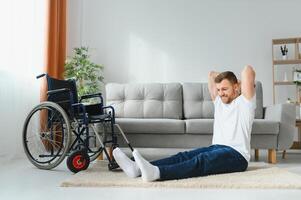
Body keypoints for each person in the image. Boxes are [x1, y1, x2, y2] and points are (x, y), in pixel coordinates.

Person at [112, 65, 256, 182]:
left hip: (237, 155)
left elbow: (248, 70)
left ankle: (157, 173)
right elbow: (212, 74)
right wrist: (225, 80)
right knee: (184, 156)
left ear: (236, 87)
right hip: (217, 147)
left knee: (202, 160)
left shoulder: (245, 103)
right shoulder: (218, 102)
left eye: (225, 89)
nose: (220, 93)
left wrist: (236, 83)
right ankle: (137, 168)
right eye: (218, 90)